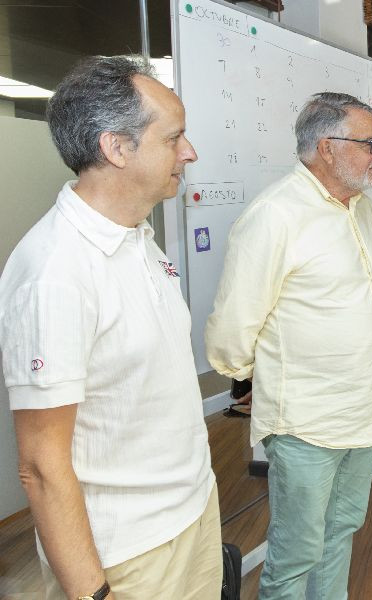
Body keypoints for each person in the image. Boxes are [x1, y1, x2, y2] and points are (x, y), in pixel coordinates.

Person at [0, 56, 220, 600]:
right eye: (173, 138)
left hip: (194, 512)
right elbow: (40, 466)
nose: (189, 152)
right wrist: (94, 594)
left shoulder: (139, 238)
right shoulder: (54, 273)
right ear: (116, 148)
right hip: (127, 553)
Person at [205, 92, 372, 600]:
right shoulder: (275, 215)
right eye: (370, 142)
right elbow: (232, 328)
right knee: (295, 553)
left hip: (363, 409)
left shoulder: (360, 209)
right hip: (306, 421)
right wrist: (258, 379)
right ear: (327, 148)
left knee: (340, 532)